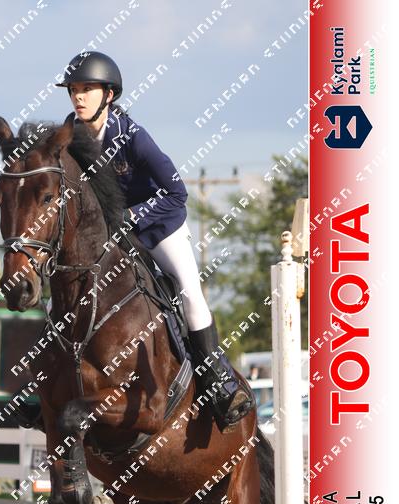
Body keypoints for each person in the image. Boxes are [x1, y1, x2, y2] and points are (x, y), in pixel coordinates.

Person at [55, 52, 254, 431]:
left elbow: (176, 193)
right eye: (74, 90)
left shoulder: (133, 137)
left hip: (159, 227)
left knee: (189, 292)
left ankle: (221, 383)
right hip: (111, 235)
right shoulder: (71, 136)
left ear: (108, 94)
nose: (78, 97)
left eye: (87, 89)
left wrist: (132, 217)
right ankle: (48, 389)